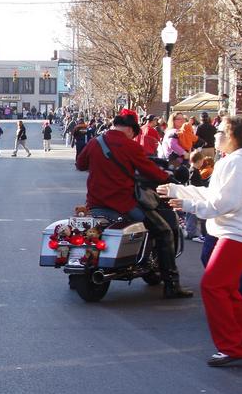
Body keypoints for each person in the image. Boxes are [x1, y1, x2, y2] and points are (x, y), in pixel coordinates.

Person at [158, 116, 242, 366]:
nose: (215, 135)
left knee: (213, 286)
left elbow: (225, 203)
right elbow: (215, 195)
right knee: (226, 288)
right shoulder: (234, 161)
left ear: (232, 135)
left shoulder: (237, 162)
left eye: (219, 131)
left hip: (239, 231)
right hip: (238, 231)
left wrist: (187, 204)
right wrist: (176, 190)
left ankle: (232, 347)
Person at [76, 113, 192, 299]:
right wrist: (169, 178)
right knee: (164, 231)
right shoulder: (130, 145)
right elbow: (149, 169)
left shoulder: (95, 142)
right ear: (130, 129)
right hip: (123, 205)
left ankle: (77, 274)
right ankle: (172, 284)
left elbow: (80, 164)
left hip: (95, 204)